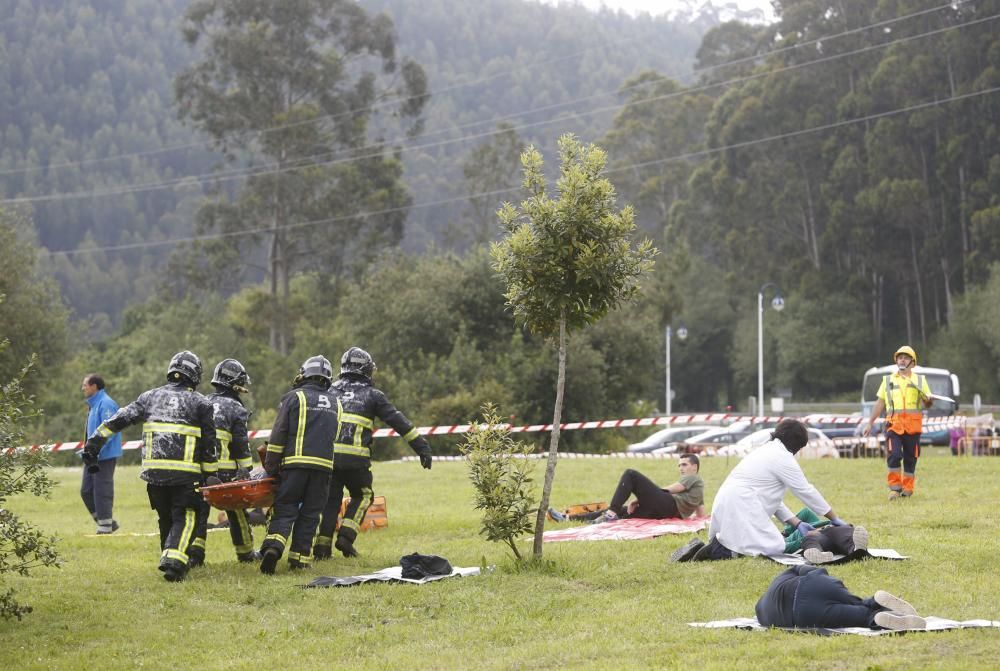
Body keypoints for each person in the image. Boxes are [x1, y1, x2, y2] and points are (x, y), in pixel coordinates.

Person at [83, 351, 218, 582]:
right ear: (194, 375)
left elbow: (118, 419)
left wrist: (93, 443)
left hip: (154, 475)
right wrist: (210, 474)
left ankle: (167, 557)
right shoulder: (201, 403)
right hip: (185, 475)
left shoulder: (149, 397)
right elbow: (209, 444)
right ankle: (174, 563)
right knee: (187, 516)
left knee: (165, 516)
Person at [312, 347, 432, 560]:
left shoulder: (329, 390)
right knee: (363, 495)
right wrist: (422, 447)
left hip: (327, 457)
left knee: (331, 500)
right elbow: (399, 421)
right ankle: (346, 537)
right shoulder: (373, 395)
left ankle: (322, 549)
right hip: (355, 459)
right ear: (367, 370)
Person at [680, 419, 852, 561]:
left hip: (733, 502)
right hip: (742, 507)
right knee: (776, 547)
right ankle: (720, 551)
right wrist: (834, 518)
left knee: (805, 516)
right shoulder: (782, 458)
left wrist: (797, 524)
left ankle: (722, 545)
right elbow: (806, 491)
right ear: (796, 445)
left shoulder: (766, 451)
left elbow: (773, 501)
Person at [259, 355, 339, 575]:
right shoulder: (336, 402)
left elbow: (279, 434)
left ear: (305, 374)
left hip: (294, 467)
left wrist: (271, 466)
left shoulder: (293, 398)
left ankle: (274, 547)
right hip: (323, 469)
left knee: (286, 509)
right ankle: (300, 559)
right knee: (311, 513)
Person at [189, 358, 257, 566]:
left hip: (199, 470)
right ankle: (245, 553)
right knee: (237, 512)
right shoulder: (236, 408)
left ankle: (195, 555)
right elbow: (240, 444)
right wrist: (247, 469)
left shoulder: (203, 401)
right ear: (236, 383)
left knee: (200, 513)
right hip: (226, 473)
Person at [755, 565, 926, 631]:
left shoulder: (764, 616)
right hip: (814, 583)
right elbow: (805, 569)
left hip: (804, 616)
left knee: (862, 617)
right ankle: (874, 601)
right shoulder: (777, 582)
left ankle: (877, 617)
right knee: (856, 601)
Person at [862, 345, 933, 499]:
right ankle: (894, 488)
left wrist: (929, 401)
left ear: (912, 363)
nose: (902, 359)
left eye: (906, 357)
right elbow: (880, 403)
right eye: (900, 357)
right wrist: (870, 423)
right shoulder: (887, 380)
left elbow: (927, 403)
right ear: (896, 361)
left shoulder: (920, 380)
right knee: (894, 455)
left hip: (913, 427)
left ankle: (907, 488)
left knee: (910, 458)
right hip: (893, 425)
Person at [550, 454, 705, 523]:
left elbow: (672, 489)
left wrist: (638, 499)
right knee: (623, 512)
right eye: (679, 465)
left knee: (631, 474)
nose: (681, 468)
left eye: (684, 464)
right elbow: (700, 514)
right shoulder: (697, 489)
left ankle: (611, 512)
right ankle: (568, 519)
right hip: (663, 513)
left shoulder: (693, 477)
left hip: (668, 505)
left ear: (694, 467)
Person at [80, 374, 121, 534]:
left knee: (101, 491)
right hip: (92, 456)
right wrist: (86, 451)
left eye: (85, 385)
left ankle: (105, 528)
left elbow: (110, 433)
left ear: (94, 386)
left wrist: (96, 451)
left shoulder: (107, 404)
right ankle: (108, 522)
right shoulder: (95, 404)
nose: (83, 388)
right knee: (86, 491)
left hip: (104, 457)